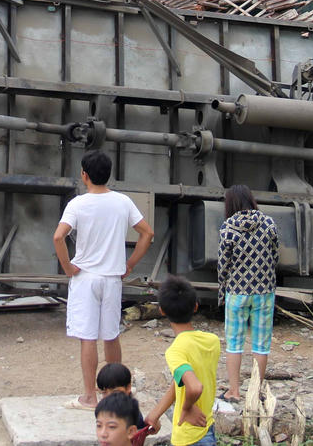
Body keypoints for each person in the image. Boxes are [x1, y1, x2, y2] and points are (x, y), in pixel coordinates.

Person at [53, 150, 155, 409]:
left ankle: (89, 396)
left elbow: (58, 237)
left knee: (88, 338)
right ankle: (115, 392)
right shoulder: (123, 201)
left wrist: (67, 266)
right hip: (112, 277)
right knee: (111, 335)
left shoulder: (77, 204)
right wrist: (129, 263)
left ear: (84, 175)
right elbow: (147, 233)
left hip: (86, 277)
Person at [216, 184, 279, 400]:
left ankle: (233, 391)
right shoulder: (268, 223)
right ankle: (256, 391)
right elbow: (275, 254)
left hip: (237, 292)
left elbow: (223, 264)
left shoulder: (228, 227)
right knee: (261, 344)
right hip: (264, 291)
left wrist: (222, 289)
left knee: (234, 343)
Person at [145, 275, 219, 446]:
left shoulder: (176, 351)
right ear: (195, 307)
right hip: (206, 428)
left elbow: (194, 386)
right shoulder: (212, 341)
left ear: (162, 311)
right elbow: (181, 383)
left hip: (188, 436)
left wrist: (187, 408)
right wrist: (155, 414)